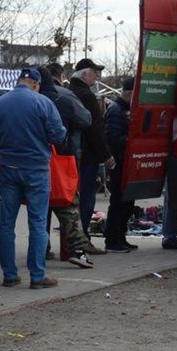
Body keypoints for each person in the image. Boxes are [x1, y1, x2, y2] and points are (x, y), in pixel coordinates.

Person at [0, 67, 66, 289]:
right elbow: (58, 135)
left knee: (6, 223)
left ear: (18, 80)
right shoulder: (43, 102)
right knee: (38, 222)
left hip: (9, 167)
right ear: (37, 84)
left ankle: (9, 275)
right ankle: (37, 275)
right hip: (37, 169)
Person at [37, 66, 98, 268]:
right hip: (62, 158)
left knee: (39, 211)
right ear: (57, 77)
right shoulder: (64, 97)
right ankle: (73, 251)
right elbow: (86, 120)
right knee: (68, 205)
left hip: (33, 161)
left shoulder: (24, 100)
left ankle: (40, 250)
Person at [67, 58, 115, 234]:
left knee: (71, 199)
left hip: (69, 155)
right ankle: (83, 236)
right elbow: (95, 128)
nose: (97, 76)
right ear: (85, 74)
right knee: (86, 198)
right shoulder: (86, 95)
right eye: (95, 72)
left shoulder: (67, 92)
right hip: (87, 155)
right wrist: (106, 154)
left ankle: (71, 238)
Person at [103, 77, 139, 253]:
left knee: (127, 203)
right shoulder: (116, 111)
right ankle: (112, 240)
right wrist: (133, 141)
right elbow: (113, 138)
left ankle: (121, 237)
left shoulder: (126, 110)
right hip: (119, 163)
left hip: (128, 163)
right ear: (130, 93)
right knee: (118, 202)